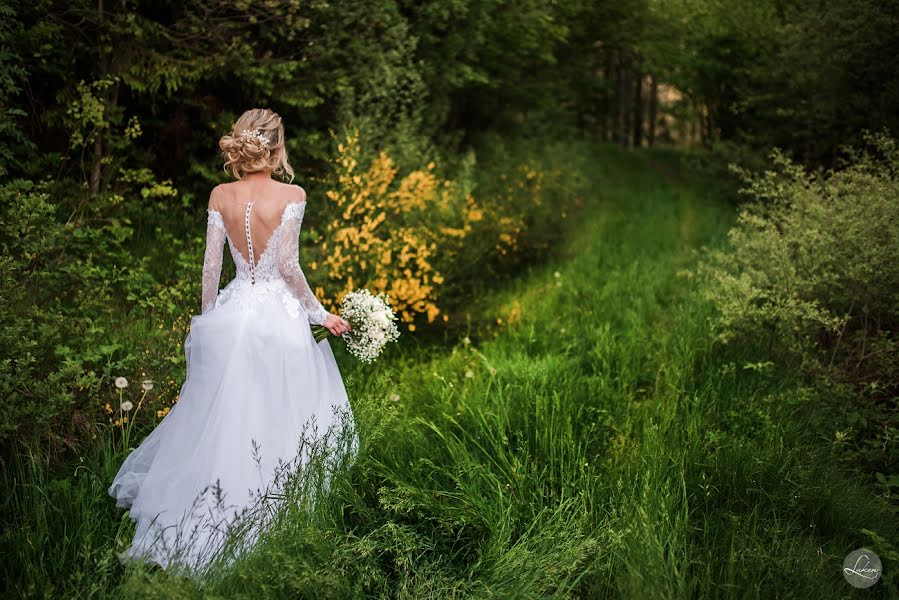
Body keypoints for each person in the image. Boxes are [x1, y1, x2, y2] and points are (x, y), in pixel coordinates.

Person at [108, 108, 357, 574]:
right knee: (277, 416)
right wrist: (321, 313)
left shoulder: (220, 194)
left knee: (223, 420)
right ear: (277, 146)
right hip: (276, 319)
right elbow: (287, 266)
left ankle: (199, 513)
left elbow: (210, 268)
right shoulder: (292, 194)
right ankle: (273, 514)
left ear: (243, 144)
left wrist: (208, 323)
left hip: (234, 311)